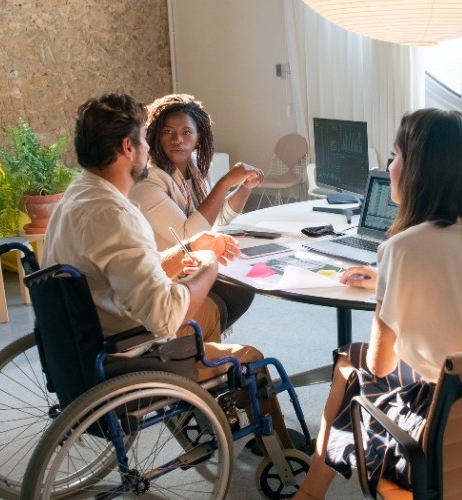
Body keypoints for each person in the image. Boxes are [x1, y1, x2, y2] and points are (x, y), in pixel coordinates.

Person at [292, 108, 462, 498]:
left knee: (350, 362)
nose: (389, 167)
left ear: (419, 170)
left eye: (396, 156)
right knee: (361, 362)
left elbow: (381, 365)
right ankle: (310, 492)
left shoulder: (404, 249)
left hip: (444, 426)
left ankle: (309, 493)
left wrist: (391, 287)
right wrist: (396, 283)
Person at [43, 92, 290, 445]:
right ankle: (281, 454)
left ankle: (218, 412)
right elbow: (165, 316)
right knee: (254, 359)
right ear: (128, 147)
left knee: (219, 302)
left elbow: (124, 268)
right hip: (132, 353)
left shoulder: (78, 195)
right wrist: (207, 265)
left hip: (84, 341)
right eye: (146, 139)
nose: (149, 149)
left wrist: (188, 248)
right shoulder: (116, 215)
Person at [129, 93, 262, 336]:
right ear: (155, 135)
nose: (177, 140)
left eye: (186, 132)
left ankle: (200, 342)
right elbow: (189, 235)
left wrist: (244, 188)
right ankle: (190, 341)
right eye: (168, 132)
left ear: (199, 138)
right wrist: (225, 182)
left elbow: (216, 219)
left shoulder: (195, 171)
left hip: (190, 265)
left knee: (242, 286)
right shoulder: (148, 180)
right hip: (165, 276)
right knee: (226, 295)